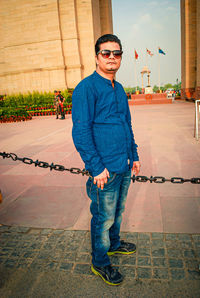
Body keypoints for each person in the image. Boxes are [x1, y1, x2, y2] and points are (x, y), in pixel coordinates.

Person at [72, 34, 141, 286]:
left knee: (118, 211)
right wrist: (95, 166)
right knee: (103, 217)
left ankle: (113, 244)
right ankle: (100, 262)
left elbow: (126, 123)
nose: (112, 57)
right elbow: (80, 131)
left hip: (123, 164)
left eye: (117, 53)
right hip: (103, 169)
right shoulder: (86, 88)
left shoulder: (119, 88)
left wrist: (133, 155)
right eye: (106, 53)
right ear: (97, 56)